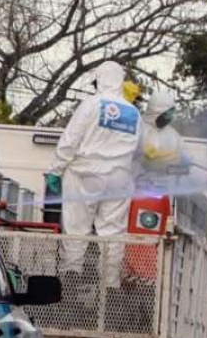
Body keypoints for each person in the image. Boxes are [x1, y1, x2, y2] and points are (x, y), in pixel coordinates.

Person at [45, 61, 142, 287]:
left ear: (100, 80)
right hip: (120, 177)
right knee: (113, 233)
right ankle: (110, 285)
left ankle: (71, 278)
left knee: (77, 227)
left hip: (85, 173)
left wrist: (55, 170)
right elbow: (138, 151)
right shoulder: (133, 112)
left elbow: (71, 138)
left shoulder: (92, 104)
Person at [140, 90, 186, 175]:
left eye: (170, 114)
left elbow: (181, 151)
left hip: (167, 178)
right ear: (155, 112)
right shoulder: (140, 128)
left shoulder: (172, 133)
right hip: (141, 177)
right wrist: (145, 156)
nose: (168, 118)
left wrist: (183, 158)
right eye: (166, 114)